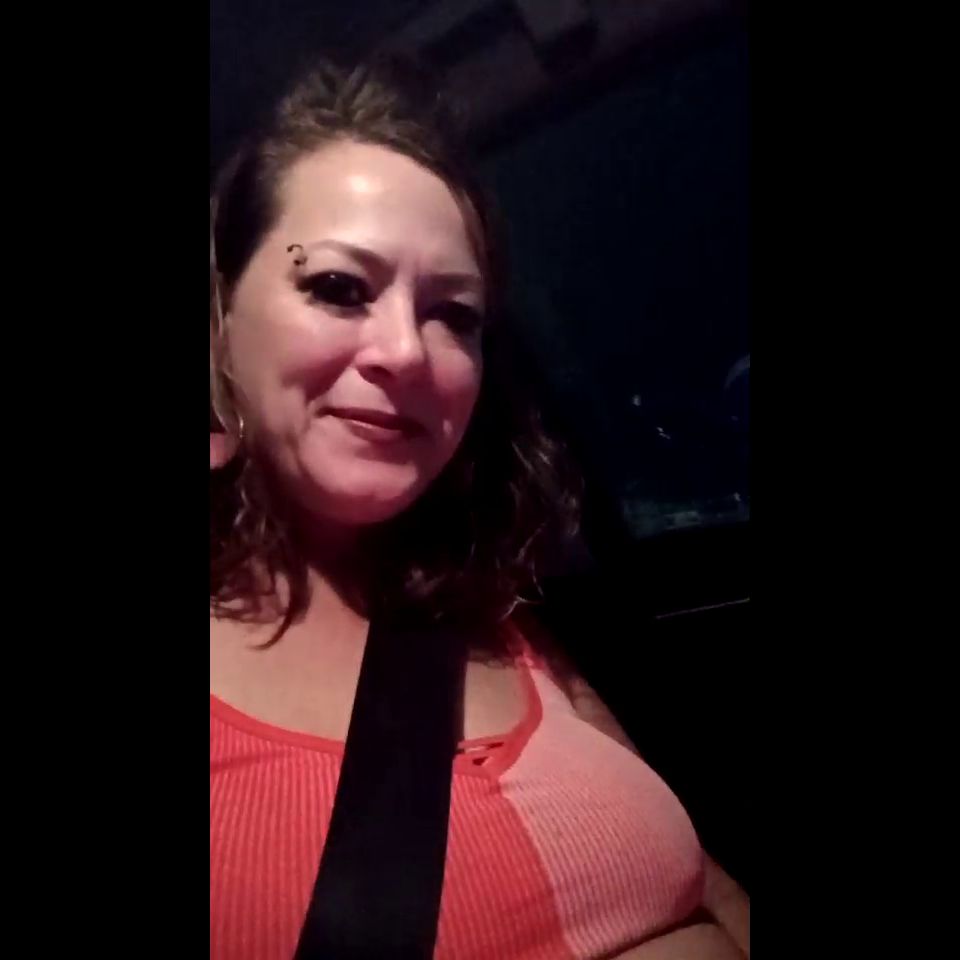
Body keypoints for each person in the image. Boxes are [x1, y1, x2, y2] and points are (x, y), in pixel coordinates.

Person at [210, 57, 749, 960]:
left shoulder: (492, 611)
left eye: (452, 314)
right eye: (338, 286)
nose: (405, 352)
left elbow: (704, 887)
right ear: (222, 317)